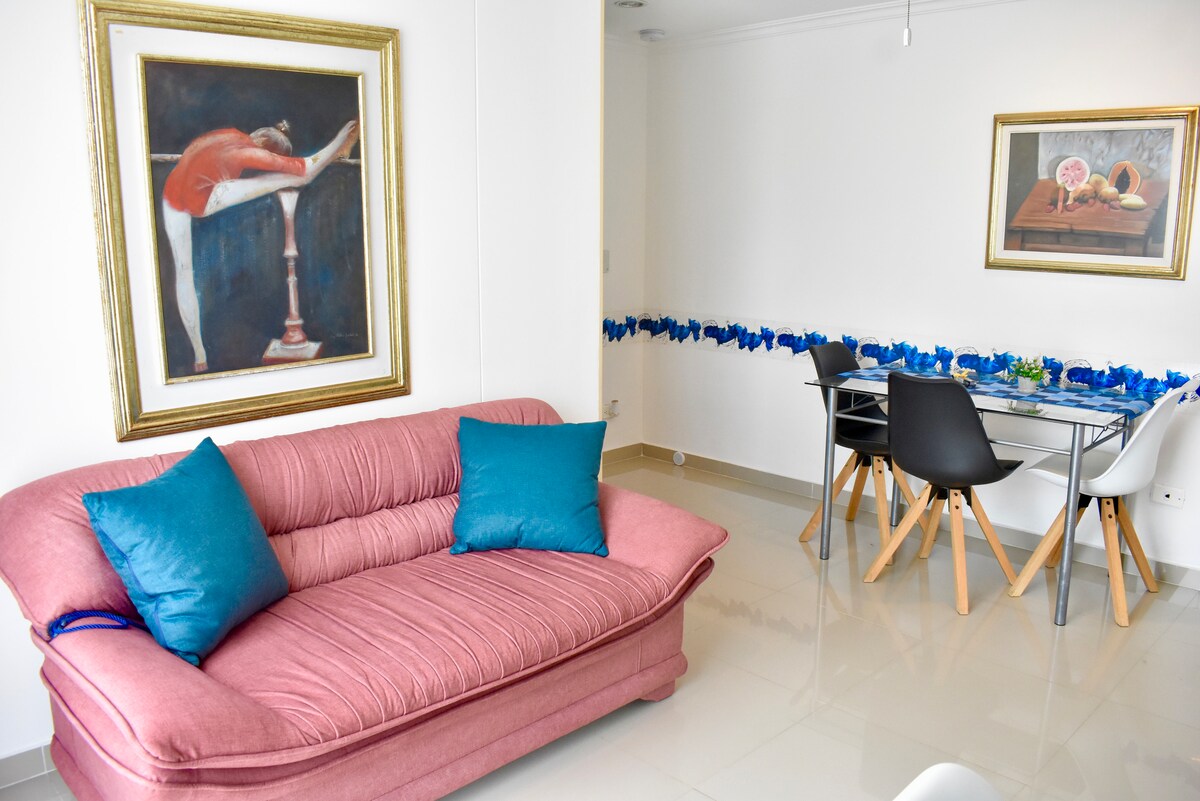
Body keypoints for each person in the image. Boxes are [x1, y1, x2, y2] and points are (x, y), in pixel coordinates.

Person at [161, 119, 359, 373]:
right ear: (268, 151)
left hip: (172, 193)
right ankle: (338, 149)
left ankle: (200, 357)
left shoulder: (227, 134)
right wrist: (339, 139)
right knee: (299, 178)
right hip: (202, 199)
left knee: (183, 272)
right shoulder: (252, 153)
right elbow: (305, 170)